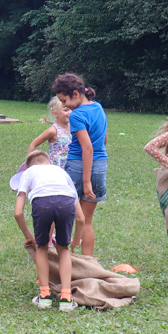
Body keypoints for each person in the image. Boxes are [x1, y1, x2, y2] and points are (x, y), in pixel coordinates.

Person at [13, 150, 84, 312]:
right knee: (63, 249)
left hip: (42, 203)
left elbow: (18, 213)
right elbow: (81, 218)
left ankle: (44, 296)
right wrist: (75, 240)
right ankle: (66, 298)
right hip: (66, 201)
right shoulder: (61, 172)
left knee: (42, 247)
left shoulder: (28, 173)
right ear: (50, 163)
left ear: (28, 167)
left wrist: (29, 237)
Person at [52, 73, 107, 257]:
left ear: (76, 94)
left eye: (64, 101)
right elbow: (104, 139)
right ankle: (88, 262)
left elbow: (87, 148)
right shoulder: (98, 107)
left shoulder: (76, 115)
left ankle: (57, 255)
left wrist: (86, 182)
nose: (65, 105)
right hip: (100, 166)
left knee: (62, 215)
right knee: (87, 221)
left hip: (77, 167)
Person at [28, 96, 71, 167]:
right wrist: (30, 166)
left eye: (71, 109)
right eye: (66, 110)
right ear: (55, 113)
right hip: (56, 168)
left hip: (71, 167)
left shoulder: (73, 127)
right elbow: (33, 145)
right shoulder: (53, 131)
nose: (70, 112)